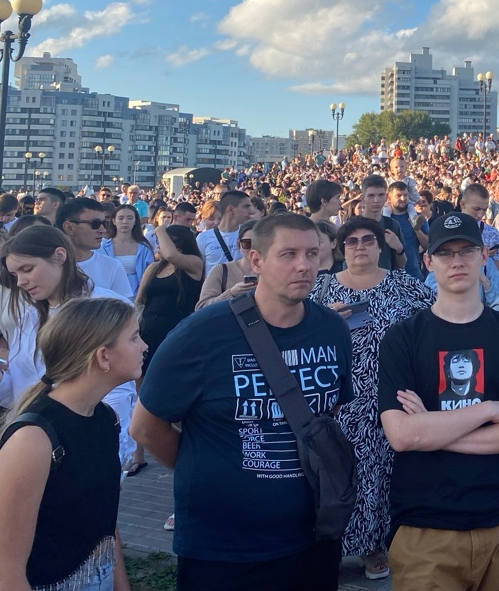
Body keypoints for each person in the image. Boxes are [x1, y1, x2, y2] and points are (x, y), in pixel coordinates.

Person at [130, 213, 354, 591]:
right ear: (256, 260)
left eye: (312, 253)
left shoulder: (332, 329)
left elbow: (326, 412)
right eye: (288, 254)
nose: (304, 265)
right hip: (223, 545)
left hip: (313, 535)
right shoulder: (201, 333)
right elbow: (146, 427)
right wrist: (209, 469)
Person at [377, 211, 499, 591]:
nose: (457, 261)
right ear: (428, 261)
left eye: (466, 251)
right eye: (445, 253)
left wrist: (433, 430)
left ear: (484, 255)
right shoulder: (402, 338)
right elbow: (403, 435)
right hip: (426, 526)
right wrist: (489, 409)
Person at [309, 215, 434, 581]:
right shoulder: (321, 291)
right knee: (335, 475)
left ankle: (374, 546)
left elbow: (433, 325)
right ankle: (330, 546)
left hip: (390, 398)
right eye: (352, 241)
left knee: (381, 475)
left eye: (368, 240)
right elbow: (296, 335)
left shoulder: (403, 285)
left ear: (381, 246)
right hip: (337, 402)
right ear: (340, 248)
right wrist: (323, 322)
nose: (360, 247)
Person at [0, 297, 144, 591]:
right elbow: (3, 572)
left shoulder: (105, 418)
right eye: (134, 337)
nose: (144, 346)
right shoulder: (33, 440)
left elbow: (103, 520)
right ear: (103, 357)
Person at [0, 225, 137, 464]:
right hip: (31, 445)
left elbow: (118, 392)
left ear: (59, 256)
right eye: (15, 275)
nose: (21, 282)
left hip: (81, 448)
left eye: (27, 269)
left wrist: (112, 455)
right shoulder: (29, 316)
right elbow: (21, 393)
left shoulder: (105, 307)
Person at [124, 224, 205, 476]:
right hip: (148, 331)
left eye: (163, 241)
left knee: (176, 394)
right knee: (140, 392)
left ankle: (187, 448)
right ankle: (137, 454)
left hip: (176, 334)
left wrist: (159, 227)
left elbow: (171, 254)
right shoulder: (154, 268)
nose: (159, 246)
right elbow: (140, 300)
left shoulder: (193, 264)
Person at [57, 198, 133, 299]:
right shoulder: (50, 266)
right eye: (95, 224)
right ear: (69, 227)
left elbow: (125, 306)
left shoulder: (112, 267)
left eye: (104, 224)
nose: (103, 230)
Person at [194, 219, 259, 308]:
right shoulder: (221, 270)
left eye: (258, 243)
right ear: (238, 245)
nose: (252, 249)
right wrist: (231, 293)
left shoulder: (274, 270)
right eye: (247, 243)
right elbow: (201, 307)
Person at [195, 189, 259, 273]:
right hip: (214, 281)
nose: (250, 211)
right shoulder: (203, 238)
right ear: (230, 209)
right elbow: (198, 270)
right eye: (246, 207)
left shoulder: (249, 234)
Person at [99, 203, 156, 294]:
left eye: (130, 218)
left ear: (135, 221)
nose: (125, 221)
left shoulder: (144, 248)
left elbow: (150, 275)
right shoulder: (103, 247)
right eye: (121, 218)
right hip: (109, 295)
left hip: (137, 295)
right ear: (114, 221)